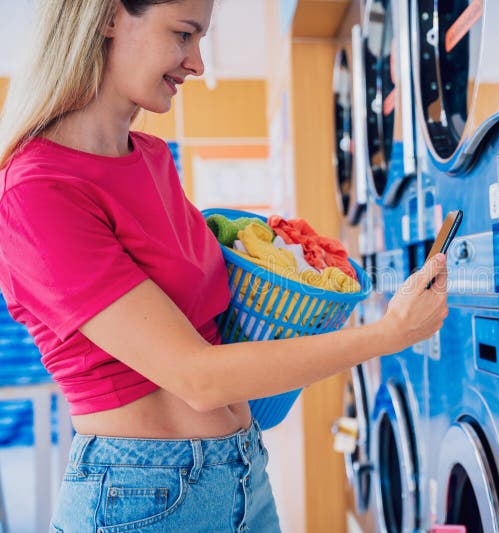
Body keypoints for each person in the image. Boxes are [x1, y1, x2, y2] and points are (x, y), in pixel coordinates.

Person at [0, 0, 448, 531]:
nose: (197, 63)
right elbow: (197, 378)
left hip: (242, 470)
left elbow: (211, 323)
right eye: (183, 34)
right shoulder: (37, 191)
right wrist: (390, 334)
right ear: (110, 17)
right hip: (139, 496)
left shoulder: (152, 158)